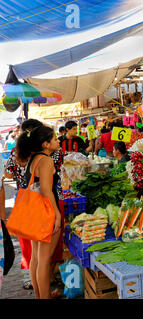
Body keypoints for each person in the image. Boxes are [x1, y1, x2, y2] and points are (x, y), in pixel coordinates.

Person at [3, 119, 64, 295]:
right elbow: (46, 191)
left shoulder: (33, 158)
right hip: (45, 213)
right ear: (46, 144)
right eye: (55, 139)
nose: (58, 142)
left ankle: (39, 295)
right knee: (44, 262)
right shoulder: (45, 161)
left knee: (36, 259)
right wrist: (57, 216)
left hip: (34, 213)